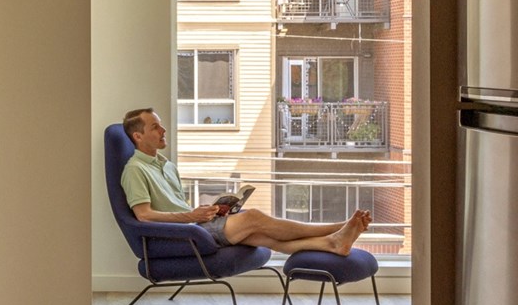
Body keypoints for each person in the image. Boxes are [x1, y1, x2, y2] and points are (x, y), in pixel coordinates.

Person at [120, 108, 370, 255]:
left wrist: (208, 211)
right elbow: (143, 215)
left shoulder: (166, 165)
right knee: (255, 218)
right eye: (155, 127)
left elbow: (175, 206)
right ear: (138, 136)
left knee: (266, 237)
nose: (163, 131)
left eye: (161, 126)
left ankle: (333, 243)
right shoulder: (135, 170)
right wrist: (189, 217)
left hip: (194, 224)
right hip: (181, 235)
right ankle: (335, 227)